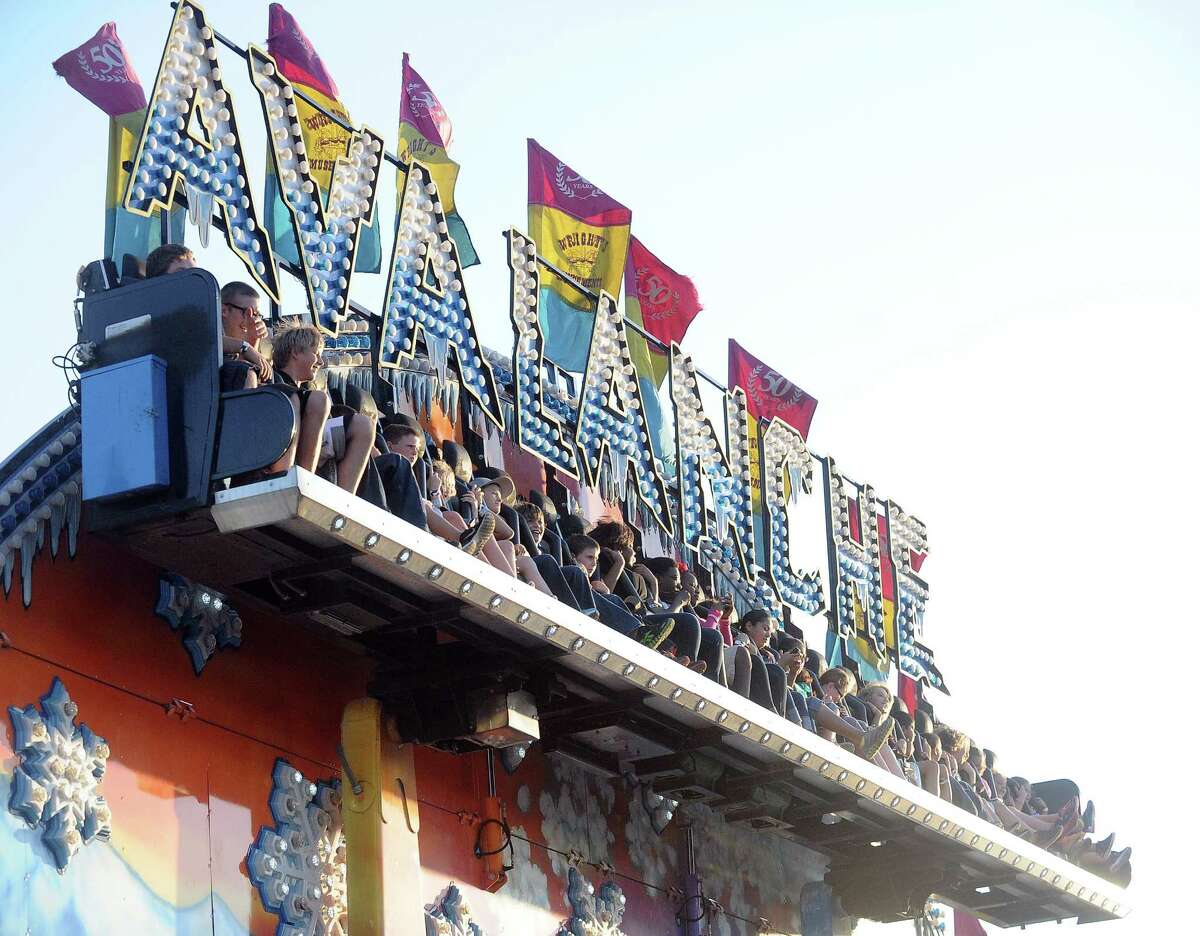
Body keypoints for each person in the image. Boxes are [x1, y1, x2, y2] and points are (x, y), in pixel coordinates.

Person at [272, 322, 374, 494]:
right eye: (316, 354)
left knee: (364, 426)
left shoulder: (307, 393)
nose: (320, 361)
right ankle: (306, 483)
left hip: (314, 433)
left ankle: (343, 500)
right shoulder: (275, 383)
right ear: (296, 352)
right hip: (287, 438)